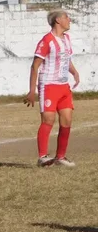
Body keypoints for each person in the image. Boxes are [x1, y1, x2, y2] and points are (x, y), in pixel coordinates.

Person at [27, 10, 79, 167]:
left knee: (67, 120)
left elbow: (66, 59)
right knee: (48, 119)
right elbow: (35, 66)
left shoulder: (67, 39)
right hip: (48, 86)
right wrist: (32, 90)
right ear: (58, 20)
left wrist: (74, 72)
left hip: (64, 87)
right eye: (66, 17)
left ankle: (60, 157)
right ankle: (42, 157)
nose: (69, 20)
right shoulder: (47, 40)